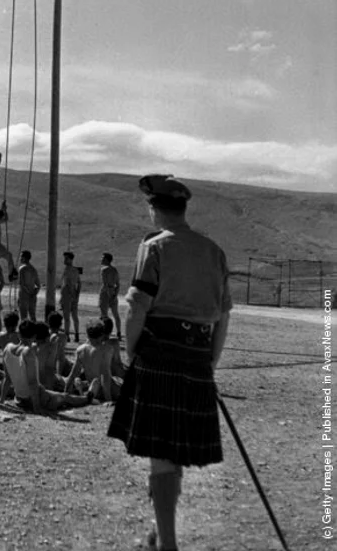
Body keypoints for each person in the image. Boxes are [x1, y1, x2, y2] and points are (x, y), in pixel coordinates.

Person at [107, 175, 232, 551]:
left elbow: (136, 307)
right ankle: (162, 534)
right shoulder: (214, 251)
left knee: (162, 452)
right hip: (197, 355)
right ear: (183, 208)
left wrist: (132, 355)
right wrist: (209, 363)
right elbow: (223, 316)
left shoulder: (154, 247)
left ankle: (168, 545)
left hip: (159, 353)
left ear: (153, 208)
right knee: (172, 451)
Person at [0, 320, 92, 413]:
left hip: (18, 399)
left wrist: (1, 400)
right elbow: (33, 383)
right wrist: (37, 407)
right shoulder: (27, 352)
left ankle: (85, 396)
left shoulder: (7, 348)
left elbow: (7, 378)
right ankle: (87, 399)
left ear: (19, 334)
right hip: (35, 399)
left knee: (63, 395)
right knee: (66, 398)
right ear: (34, 336)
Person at [65, 318, 115, 402]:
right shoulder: (106, 349)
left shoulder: (81, 350)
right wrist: (108, 399)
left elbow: (73, 374)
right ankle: (91, 391)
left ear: (87, 335)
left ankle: (85, 391)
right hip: (105, 389)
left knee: (90, 381)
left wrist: (65, 393)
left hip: (91, 383)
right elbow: (105, 375)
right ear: (102, 335)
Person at [0, 201, 17, 281]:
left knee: (9, 256)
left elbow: (6, 219)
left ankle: (11, 273)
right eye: (0, 216)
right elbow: (4, 220)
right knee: (9, 256)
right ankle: (10, 274)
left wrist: (4, 210)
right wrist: (3, 210)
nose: (1, 218)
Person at [59, 252, 81, 343]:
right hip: (74, 295)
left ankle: (67, 336)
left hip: (67, 295)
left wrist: (71, 294)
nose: (64, 260)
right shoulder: (76, 270)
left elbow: (67, 283)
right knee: (75, 316)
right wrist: (77, 295)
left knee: (67, 317)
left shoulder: (67, 270)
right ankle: (76, 335)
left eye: (66, 258)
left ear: (71, 259)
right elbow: (79, 283)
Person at [99, 253, 121, 338]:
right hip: (113, 292)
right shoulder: (115, 270)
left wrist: (108, 295)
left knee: (104, 315)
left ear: (107, 260)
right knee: (116, 314)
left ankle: (104, 333)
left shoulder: (104, 270)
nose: (101, 260)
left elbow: (105, 284)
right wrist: (114, 296)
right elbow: (118, 284)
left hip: (105, 293)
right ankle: (119, 332)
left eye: (103, 258)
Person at [17, 250, 41, 320]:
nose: (20, 258)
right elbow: (38, 286)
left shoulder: (22, 269)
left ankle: (24, 331)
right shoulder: (33, 269)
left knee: (23, 317)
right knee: (33, 316)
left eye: (21, 257)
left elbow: (22, 284)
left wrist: (28, 293)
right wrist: (33, 293)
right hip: (32, 296)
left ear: (25, 258)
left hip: (24, 296)